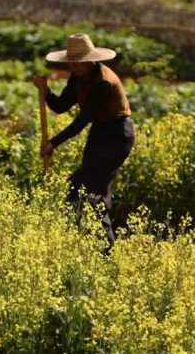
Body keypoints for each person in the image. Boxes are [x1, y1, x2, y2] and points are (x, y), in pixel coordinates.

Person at [33, 33, 135, 253]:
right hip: (99, 133)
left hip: (117, 135)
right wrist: (46, 91)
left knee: (80, 187)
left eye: (78, 62)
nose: (74, 66)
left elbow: (81, 121)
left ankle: (99, 249)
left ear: (90, 60)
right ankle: (99, 249)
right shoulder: (77, 77)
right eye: (71, 62)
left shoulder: (104, 82)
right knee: (94, 192)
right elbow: (61, 106)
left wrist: (53, 143)